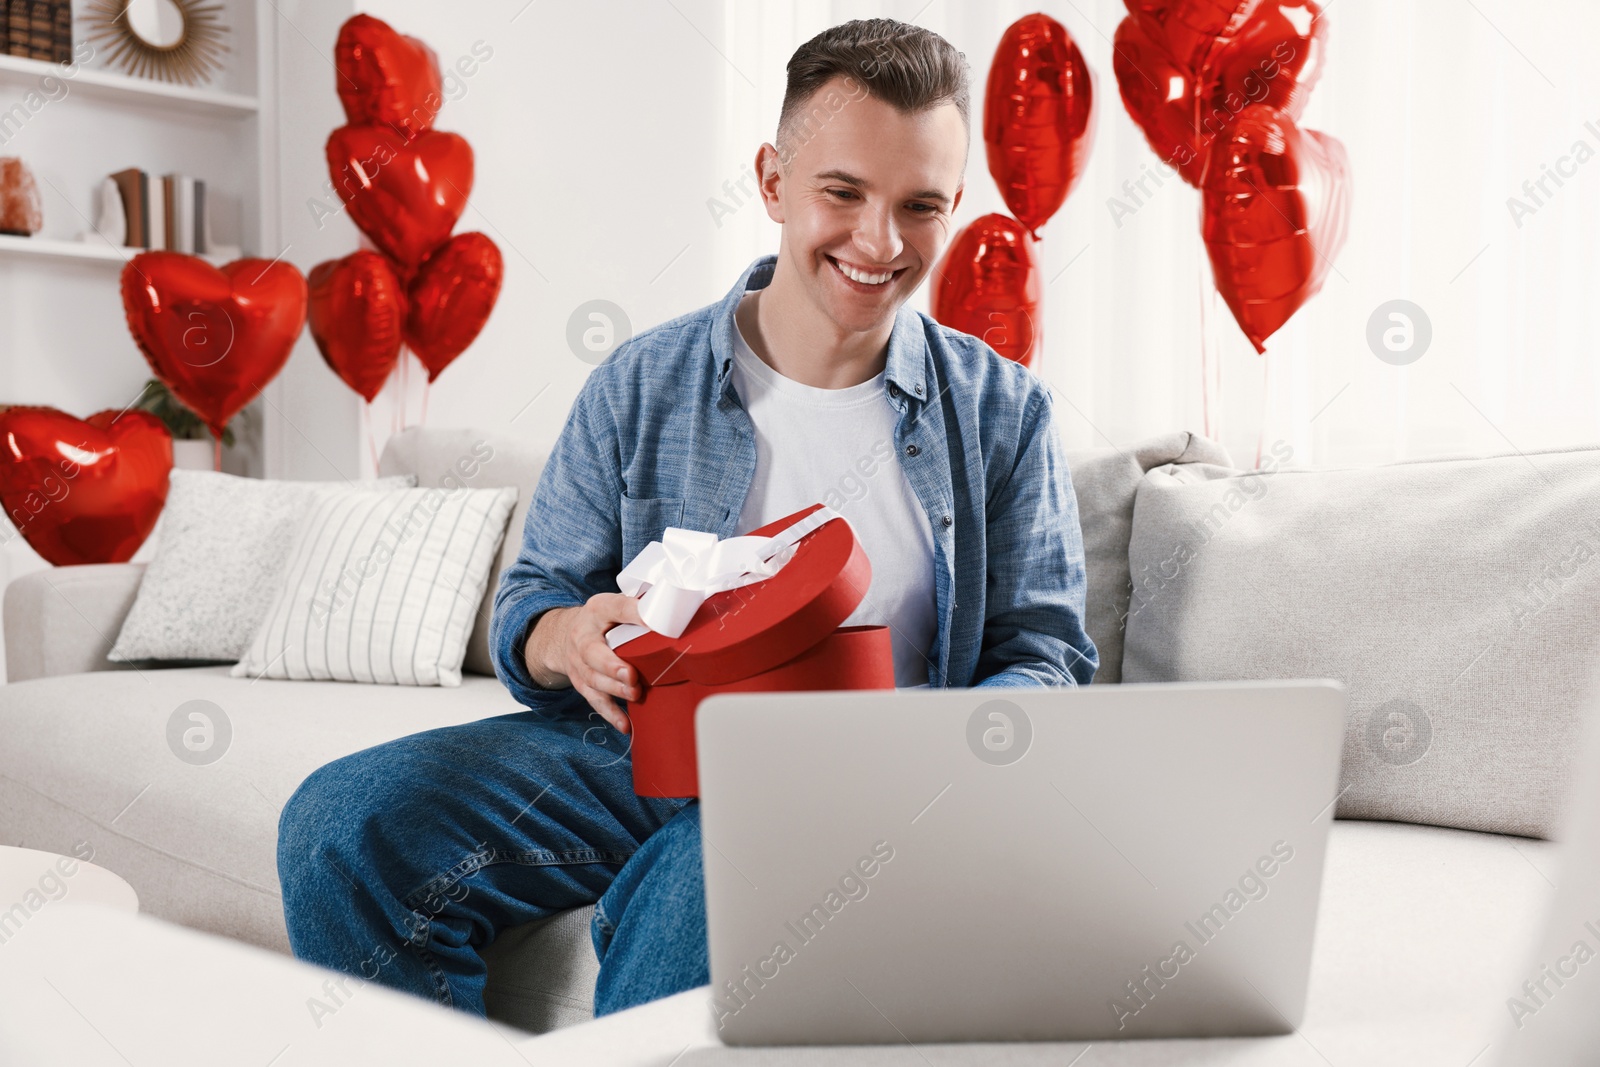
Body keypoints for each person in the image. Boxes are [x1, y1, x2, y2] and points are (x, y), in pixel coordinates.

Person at [276, 17, 1097, 1021]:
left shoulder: (1002, 410)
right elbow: (534, 597)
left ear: (951, 206)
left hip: (861, 780)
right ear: (770, 181)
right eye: (842, 192)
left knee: (696, 895)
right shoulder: (640, 381)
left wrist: (926, 739)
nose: (880, 242)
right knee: (341, 822)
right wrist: (564, 634)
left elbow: (1047, 657)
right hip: (638, 751)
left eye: (918, 206)